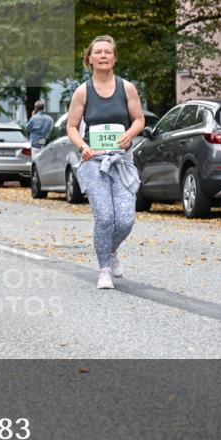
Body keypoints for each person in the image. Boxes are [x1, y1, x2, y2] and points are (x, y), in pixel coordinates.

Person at [66, 35, 146, 290]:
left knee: (124, 219)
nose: (103, 55)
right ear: (89, 59)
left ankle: (111, 251)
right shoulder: (82, 91)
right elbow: (71, 126)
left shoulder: (127, 88)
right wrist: (82, 146)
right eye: (98, 52)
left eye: (107, 52)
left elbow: (139, 120)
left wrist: (130, 134)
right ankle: (103, 270)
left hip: (121, 160)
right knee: (104, 217)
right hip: (94, 161)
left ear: (114, 57)